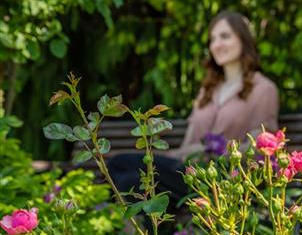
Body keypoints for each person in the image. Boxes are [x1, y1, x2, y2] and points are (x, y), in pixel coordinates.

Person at [107, 11, 279, 203]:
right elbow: (187, 144)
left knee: (126, 174)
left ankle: (152, 230)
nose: (216, 45)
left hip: (221, 179)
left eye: (225, 36)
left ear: (244, 39)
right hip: (186, 171)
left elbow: (261, 147)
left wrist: (216, 151)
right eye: (213, 39)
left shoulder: (263, 89)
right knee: (124, 173)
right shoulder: (208, 90)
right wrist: (174, 156)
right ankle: (161, 228)